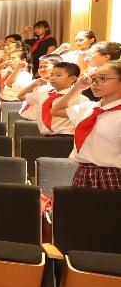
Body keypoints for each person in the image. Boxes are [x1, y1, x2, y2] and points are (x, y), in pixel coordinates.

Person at [51, 60, 121, 190]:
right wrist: (77, 88)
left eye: (102, 78)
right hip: (83, 172)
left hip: (113, 174)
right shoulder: (88, 108)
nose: (95, 83)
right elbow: (56, 110)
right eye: (93, 78)